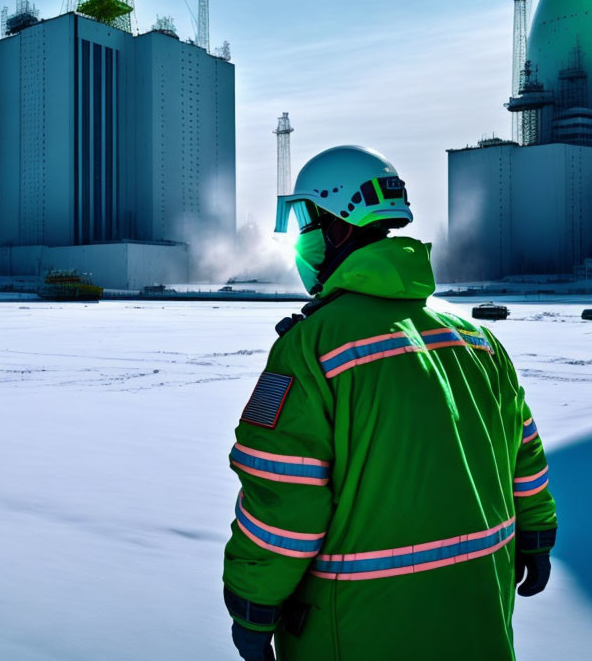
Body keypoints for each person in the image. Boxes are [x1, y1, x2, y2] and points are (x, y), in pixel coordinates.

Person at [223, 146, 557, 661]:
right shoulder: (475, 339)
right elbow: (524, 453)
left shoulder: (312, 349)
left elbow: (284, 497)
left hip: (356, 628)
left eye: (304, 222)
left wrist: (251, 602)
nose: (299, 241)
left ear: (335, 227)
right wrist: (536, 529)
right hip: (478, 616)